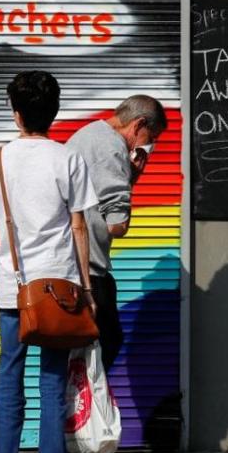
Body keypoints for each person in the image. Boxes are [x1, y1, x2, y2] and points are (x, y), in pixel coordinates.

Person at [0, 70, 98, 453]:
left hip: (12, 288)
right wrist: (87, 289)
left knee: (9, 379)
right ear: (53, 112)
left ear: (16, 113)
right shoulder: (68, 158)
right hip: (61, 289)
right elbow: (79, 227)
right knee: (53, 383)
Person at [65, 94, 167, 375]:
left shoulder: (87, 134)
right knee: (107, 342)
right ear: (138, 125)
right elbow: (117, 226)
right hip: (90, 270)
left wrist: (128, 179)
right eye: (152, 136)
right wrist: (130, 182)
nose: (151, 144)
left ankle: (73, 412)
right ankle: (81, 414)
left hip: (69, 264)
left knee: (73, 355)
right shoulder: (112, 150)